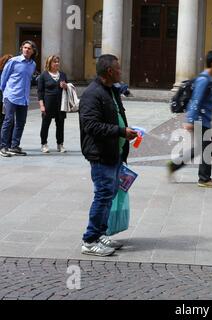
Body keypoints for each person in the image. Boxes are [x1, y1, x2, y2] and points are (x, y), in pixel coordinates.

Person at [79, 54, 138, 257]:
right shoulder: (92, 94)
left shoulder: (110, 90)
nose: (121, 72)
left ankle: (100, 233)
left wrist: (126, 133)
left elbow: (117, 117)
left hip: (115, 152)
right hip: (101, 153)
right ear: (110, 71)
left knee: (109, 194)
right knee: (103, 195)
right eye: (118, 69)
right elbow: (91, 126)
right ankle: (89, 240)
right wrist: (121, 132)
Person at [167, 51, 212, 188]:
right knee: (208, 148)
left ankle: (174, 166)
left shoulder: (208, 79)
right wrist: (190, 120)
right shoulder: (204, 80)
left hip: (203, 119)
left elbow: (207, 99)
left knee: (203, 147)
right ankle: (204, 179)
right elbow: (196, 100)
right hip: (199, 120)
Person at [0, 41, 37, 157]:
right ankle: (3, 147)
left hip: (24, 98)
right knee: (8, 121)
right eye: (24, 47)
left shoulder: (33, 64)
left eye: (29, 48)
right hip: (11, 96)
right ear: (21, 49)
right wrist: (4, 93)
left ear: (33, 51)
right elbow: (3, 78)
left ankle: (14, 146)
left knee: (21, 122)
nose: (26, 50)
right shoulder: (13, 61)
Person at [38, 55, 68, 154]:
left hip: (60, 104)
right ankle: (44, 144)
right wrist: (42, 105)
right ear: (49, 63)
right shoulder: (44, 75)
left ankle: (60, 144)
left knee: (60, 125)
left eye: (58, 61)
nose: (57, 63)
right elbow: (40, 92)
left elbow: (68, 88)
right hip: (48, 104)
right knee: (45, 125)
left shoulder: (63, 75)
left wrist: (65, 86)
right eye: (55, 62)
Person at [0, 54, 13, 148]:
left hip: (7, 99)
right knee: (7, 121)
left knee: (8, 121)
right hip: (4, 99)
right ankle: (5, 143)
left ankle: (8, 143)